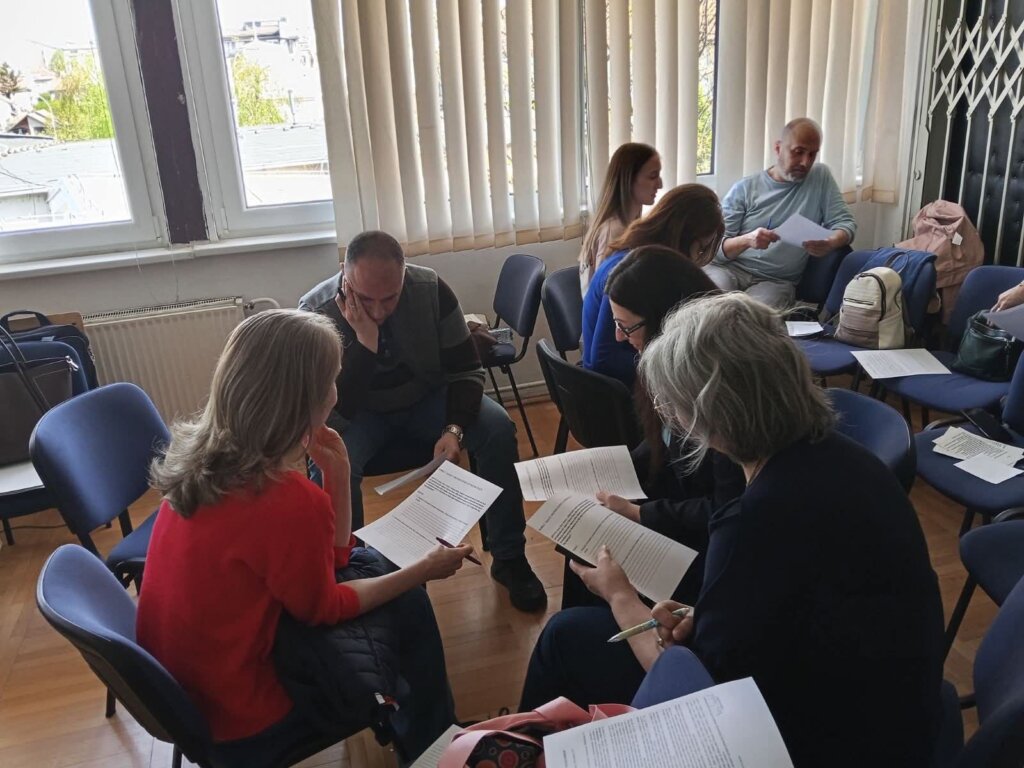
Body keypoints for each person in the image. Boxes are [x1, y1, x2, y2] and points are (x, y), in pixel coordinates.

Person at [521, 293, 945, 767]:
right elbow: (796, 606)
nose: (666, 412)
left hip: (820, 743)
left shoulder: (757, 518)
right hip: (890, 709)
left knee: (564, 639)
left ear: (706, 413)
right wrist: (704, 614)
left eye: (668, 402)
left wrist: (620, 597)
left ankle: (511, 748)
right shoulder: (846, 459)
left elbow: (705, 701)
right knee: (571, 634)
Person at [138, 309, 472, 763]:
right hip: (244, 717)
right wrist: (424, 570)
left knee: (379, 573)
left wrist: (338, 473)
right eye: (332, 380)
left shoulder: (199, 458)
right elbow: (324, 608)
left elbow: (332, 561)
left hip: (189, 694)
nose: (337, 392)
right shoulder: (283, 497)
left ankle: (430, 735)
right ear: (304, 400)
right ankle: (437, 745)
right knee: (409, 599)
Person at [298, 231, 546, 612]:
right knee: (330, 462)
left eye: (390, 298)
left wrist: (454, 429)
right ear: (344, 275)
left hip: (424, 398)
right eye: (365, 299)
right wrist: (365, 342)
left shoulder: (430, 289)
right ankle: (352, 575)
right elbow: (329, 414)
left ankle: (510, 556)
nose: (378, 311)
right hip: (359, 415)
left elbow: (467, 370)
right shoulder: (315, 313)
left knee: (497, 427)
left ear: (404, 276)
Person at [561, 246, 745, 609]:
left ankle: (610, 629)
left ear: (665, 317)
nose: (617, 337)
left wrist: (640, 513)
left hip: (711, 539)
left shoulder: (721, 392)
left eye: (626, 326)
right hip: (678, 497)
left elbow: (728, 507)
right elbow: (662, 440)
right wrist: (612, 471)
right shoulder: (666, 363)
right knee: (578, 533)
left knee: (595, 550)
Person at [581, 184, 724, 386]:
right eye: (700, 248)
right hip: (612, 389)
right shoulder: (630, 272)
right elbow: (604, 360)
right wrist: (675, 368)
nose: (697, 258)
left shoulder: (644, 259)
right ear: (684, 238)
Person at [704, 118, 856, 309]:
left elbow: (846, 224)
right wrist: (747, 240)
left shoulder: (820, 178)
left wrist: (830, 242)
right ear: (778, 149)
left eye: (812, 154)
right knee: (714, 306)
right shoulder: (745, 188)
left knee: (752, 315)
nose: (805, 162)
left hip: (775, 280)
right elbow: (714, 250)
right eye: (798, 152)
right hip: (729, 269)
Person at [578, 143, 662, 293]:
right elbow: (606, 293)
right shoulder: (614, 231)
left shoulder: (628, 224)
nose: (660, 184)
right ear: (629, 179)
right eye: (652, 176)